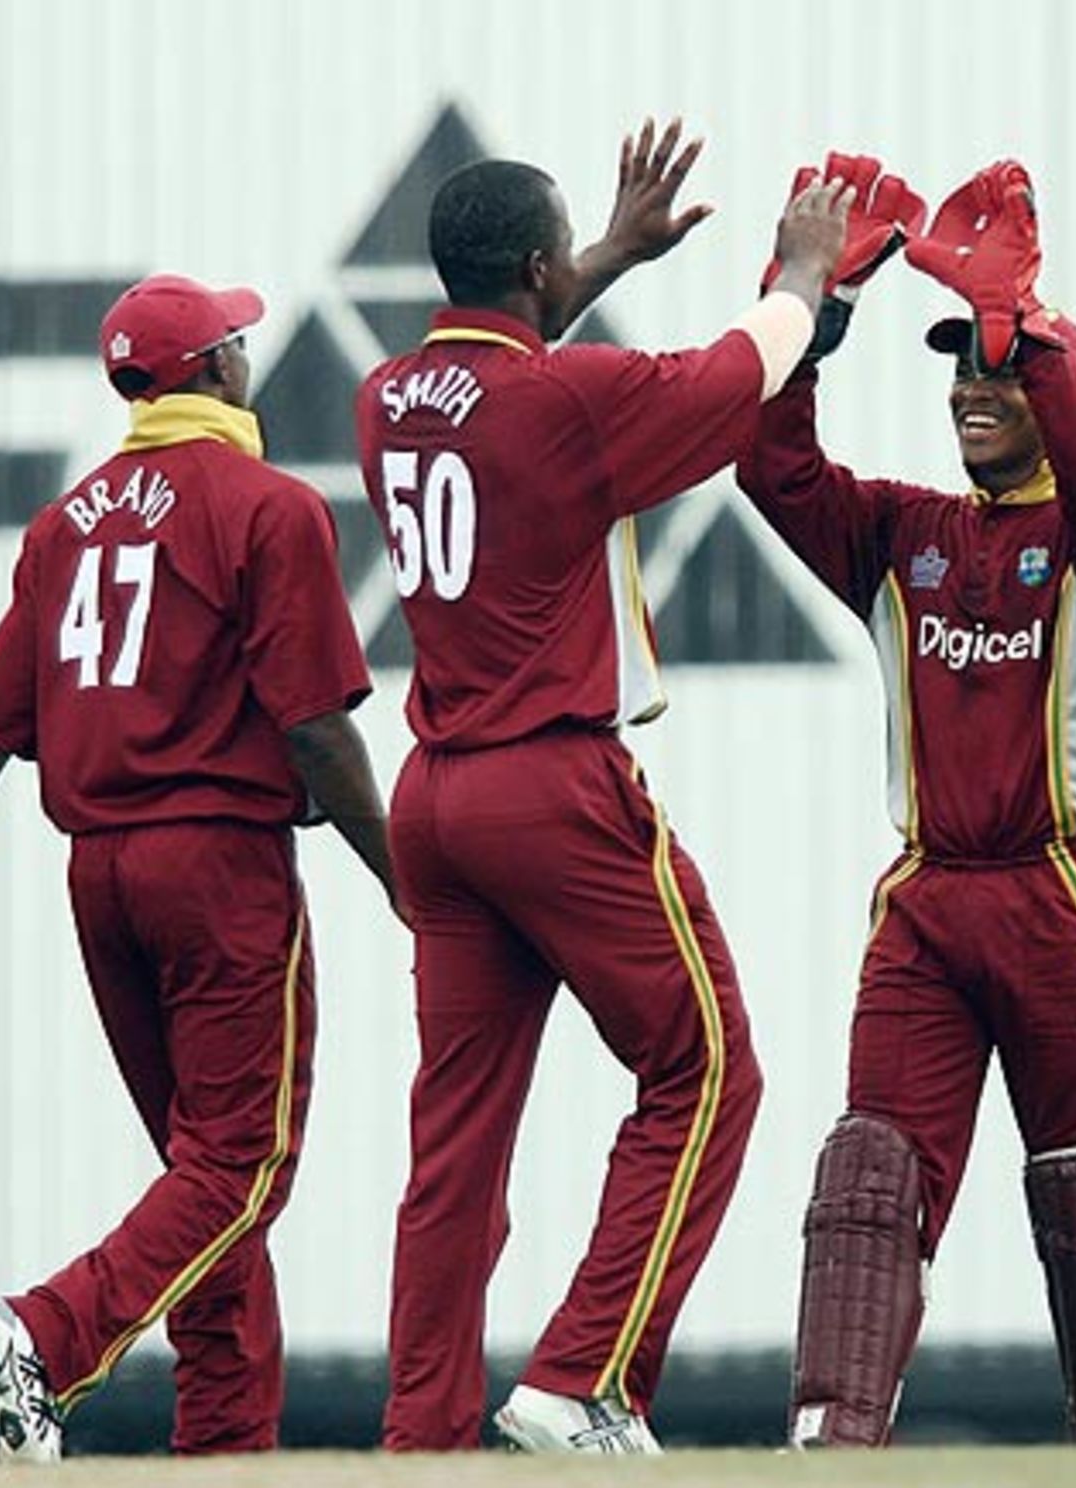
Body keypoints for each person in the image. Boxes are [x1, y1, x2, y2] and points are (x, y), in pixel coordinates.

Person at [354, 117, 851, 1453]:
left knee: (455, 1146)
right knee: (707, 1069)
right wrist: (803, 274)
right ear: (534, 263)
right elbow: (737, 373)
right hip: (551, 787)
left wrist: (611, 258)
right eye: (565, 249)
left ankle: (422, 1436)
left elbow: (505, 384)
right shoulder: (565, 406)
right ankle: (586, 1377)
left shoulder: (385, 398)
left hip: (438, 799)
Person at [737, 154, 1076, 1447]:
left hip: (1060, 895)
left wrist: (1021, 333)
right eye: (959, 376)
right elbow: (770, 466)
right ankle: (833, 1436)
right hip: (927, 905)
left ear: (1044, 386)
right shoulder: (900, 533)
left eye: (991, 376)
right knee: (870, 1171)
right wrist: (807, 312)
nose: (970, 395)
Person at [0, 273, 398, 1461]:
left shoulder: (64, 527)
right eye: (237, 344)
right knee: (240, 1168)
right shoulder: (267, 506)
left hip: (98, 879)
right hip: (217, 871)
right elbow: (317, 727)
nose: (247, 358)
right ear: (212, 372)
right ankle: (44, 1337)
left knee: (198, 1183)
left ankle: (223, 1452)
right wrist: (411, 882)